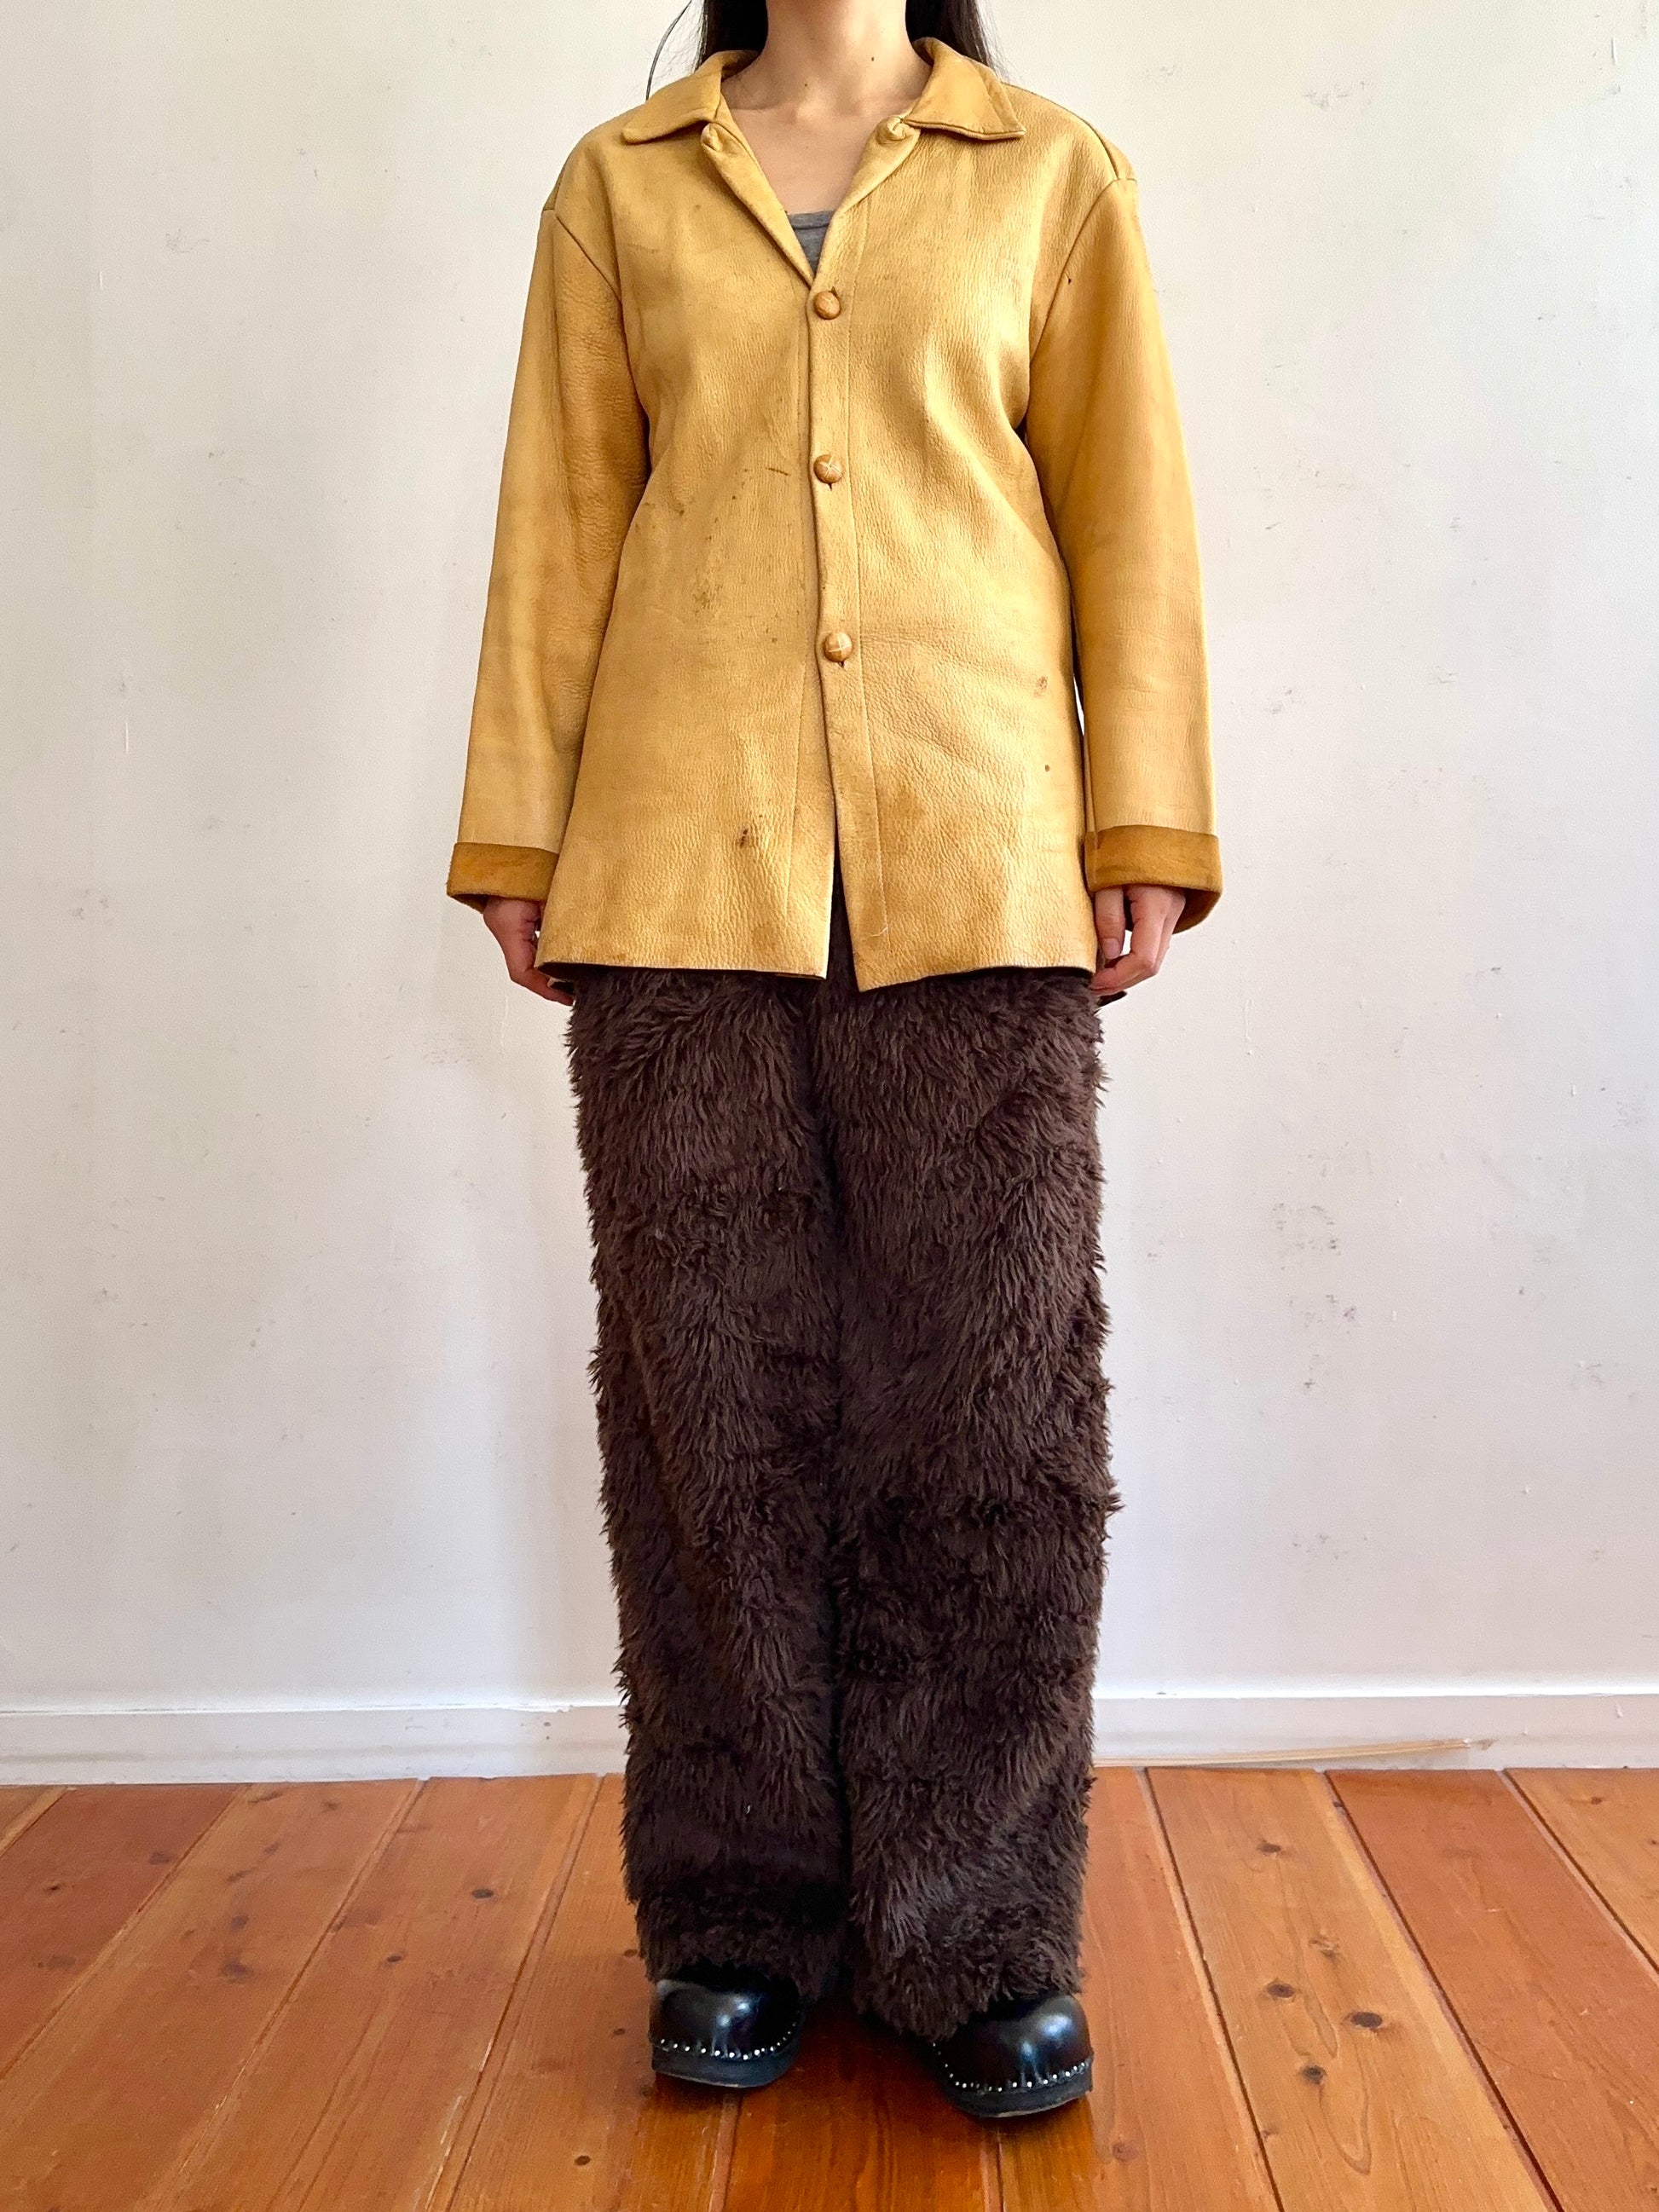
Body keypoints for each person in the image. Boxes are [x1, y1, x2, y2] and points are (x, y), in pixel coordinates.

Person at [445, 0, 1219, 2123]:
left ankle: (976, 1929)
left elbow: (1130, 522)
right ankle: (739, 1914)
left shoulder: (1049, 172)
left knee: (993, 1409)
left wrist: (1144, 822)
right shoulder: (621, 186)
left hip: (982, 862)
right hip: (674, 872)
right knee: (708, 1410)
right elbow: (556, 527)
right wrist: (519, 833)